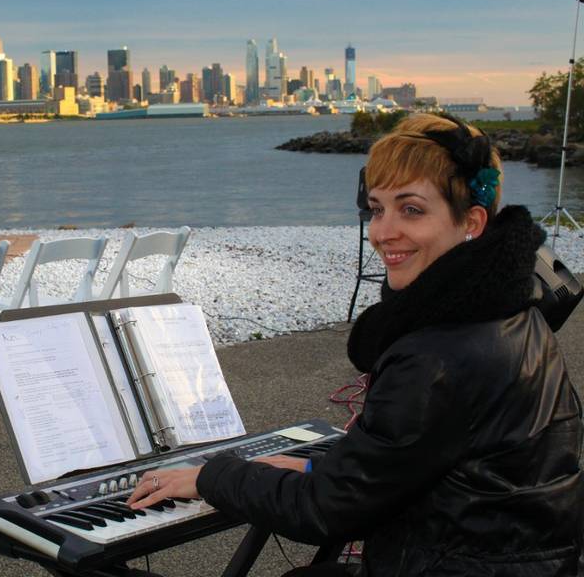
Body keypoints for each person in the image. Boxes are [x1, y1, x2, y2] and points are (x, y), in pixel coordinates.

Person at [128, 113, 583, 576]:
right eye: (377, 208)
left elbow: (325, 511)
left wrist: (212, 475)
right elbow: (424, 455)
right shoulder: (514, 313)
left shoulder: (436, 355)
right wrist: (311, 467)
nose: (382, 232)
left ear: (472, 222)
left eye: (412, 209)